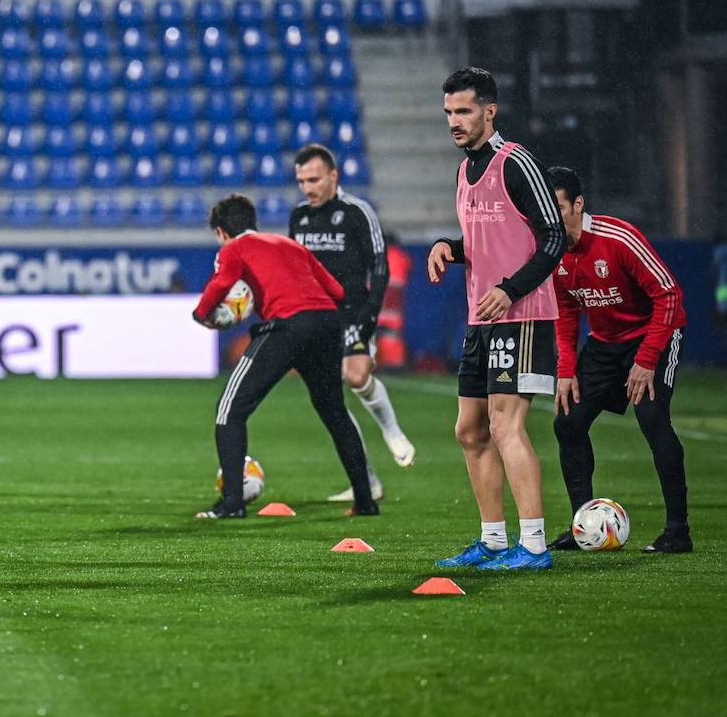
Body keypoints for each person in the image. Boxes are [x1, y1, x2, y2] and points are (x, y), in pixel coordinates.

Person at [427, 66, 566, 572]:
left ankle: (533, 546)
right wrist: (449, 246)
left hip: (522, 314)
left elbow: (553, 238)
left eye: (463, 111)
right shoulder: (464, 172)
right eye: (448, 112)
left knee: (507, 425)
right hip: (482, 319)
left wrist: (510, 289)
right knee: (470, 429)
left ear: (490, 110)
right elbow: (490, 242)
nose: (454, 121)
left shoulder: (516, 162)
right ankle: (491, 541)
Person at [192, 194, 379, 519]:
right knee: (334, 411)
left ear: (222, 232)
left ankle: (232, 504)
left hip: (289, 326)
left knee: (229, 410)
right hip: (327, 323)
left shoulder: (233, 248)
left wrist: (201, 313)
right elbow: (335, 290)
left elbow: (222, 283)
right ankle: (366, 501)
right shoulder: (291, 245)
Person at [547, 167, 692, 553]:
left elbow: (669, 295)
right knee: (567, 422)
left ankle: (678, 531)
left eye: (557, 206)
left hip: (654, 335)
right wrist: (565, 371)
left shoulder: (618, 238)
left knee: (653, 419)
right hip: (605, 343)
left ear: (578, 204)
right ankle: (584, 527)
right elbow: (564, 310)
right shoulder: (552, 249)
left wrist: (646, 360)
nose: (549, 215)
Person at [290, 144, 415, 505]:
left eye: (313, 179)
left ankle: (391, 430)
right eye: (301, 181)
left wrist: (369, 316)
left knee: (357, 376)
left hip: (352, 313)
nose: (307, 188)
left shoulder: (358, 212)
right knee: (331, 404)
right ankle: (367, 480)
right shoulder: (298, 217)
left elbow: (379, 267)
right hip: (315, 318)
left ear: (333, 176)